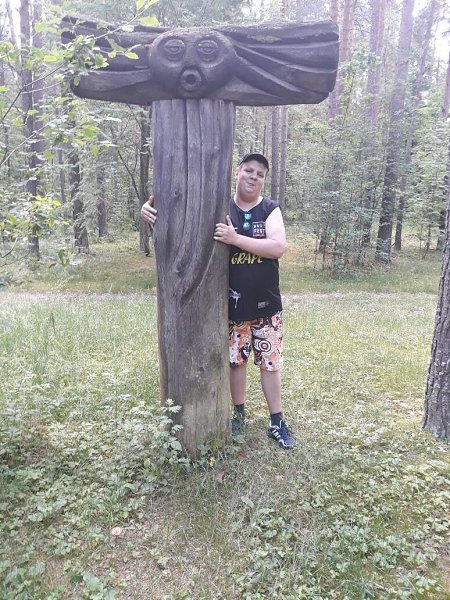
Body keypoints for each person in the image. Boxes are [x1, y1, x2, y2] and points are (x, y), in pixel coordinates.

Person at [140, 152, 296, 449]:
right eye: (248, 170)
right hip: (231, 308)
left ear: (264, 180)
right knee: (236, 363)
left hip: (267, 306)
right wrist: (148, 210)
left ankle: (277, 422)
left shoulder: (269, 209)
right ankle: (238, 416)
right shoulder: (219, 206)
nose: (253, 177)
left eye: (260, 174)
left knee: (270, 364)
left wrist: (235, 239)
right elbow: (180, 210)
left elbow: (277, 247)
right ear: (237, 173)